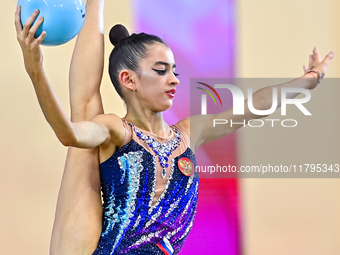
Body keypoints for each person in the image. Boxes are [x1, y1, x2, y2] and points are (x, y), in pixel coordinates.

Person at [15, 1, 334, 254]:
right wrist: (36, 70)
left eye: (175, 71)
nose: (174, 79)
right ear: (129, 80)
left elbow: (252, 107)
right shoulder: (116, 131)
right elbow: (69, 133)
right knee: (84, 109)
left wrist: (307, 82)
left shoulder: (188, 132)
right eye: (161, 70)